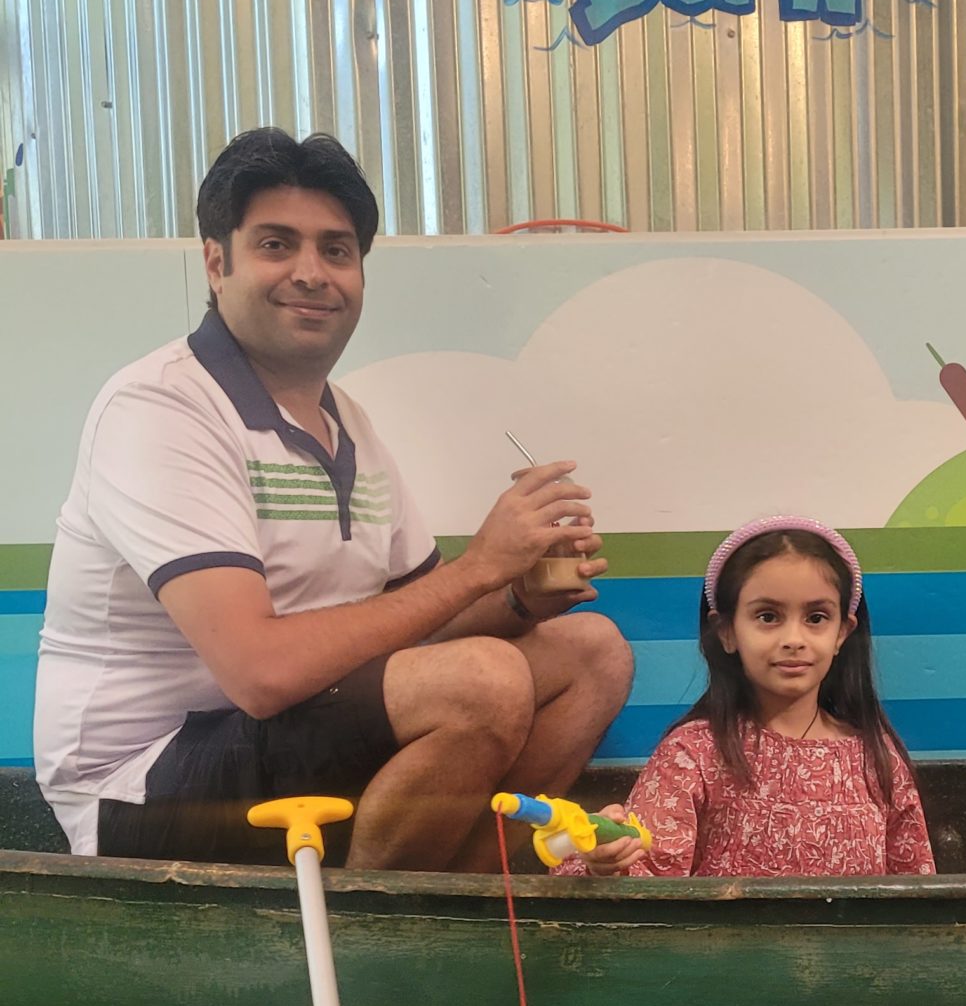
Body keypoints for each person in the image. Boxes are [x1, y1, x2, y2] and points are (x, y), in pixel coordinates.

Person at [35, 126, 634, 869]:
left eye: (337, 250)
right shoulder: (159, 408)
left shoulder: (345, 421)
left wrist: (520, 594)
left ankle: (461, 907)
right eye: (277, 245)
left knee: (593, 655)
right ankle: (373, 940)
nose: (313, 273)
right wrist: (478, 567)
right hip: (139, 787)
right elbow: (261, 675)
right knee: (483, 683)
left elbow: (424, 614)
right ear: (216, 263)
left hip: (288, 736)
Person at [573, 516, 933, 879]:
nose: (794, 638)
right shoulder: (693, 754)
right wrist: (607, 861)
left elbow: (918, 900)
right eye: (768, 616)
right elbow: (644, 877)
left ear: (842, 632)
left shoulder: (878, 759)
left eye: (817, 617)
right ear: (726, 631)